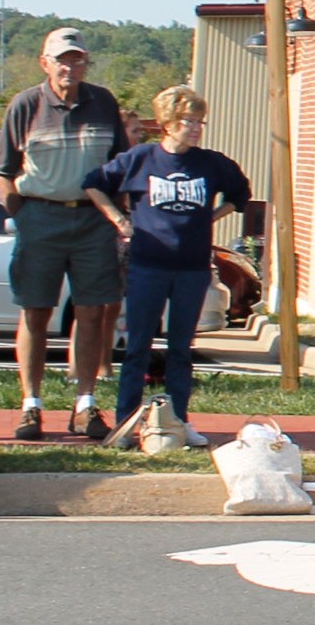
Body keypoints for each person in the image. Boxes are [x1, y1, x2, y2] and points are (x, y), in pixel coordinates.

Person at [84, 88, 253, 440]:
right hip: (148, 266)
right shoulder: (140, 159)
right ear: (167, 123)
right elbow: (94, 185)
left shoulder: (211, 162)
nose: (195, 128)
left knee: (181, 348)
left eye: (199, 121)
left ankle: (178, 420)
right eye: (187, 121)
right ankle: (126, 422)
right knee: (137, 347)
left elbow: (240, 194)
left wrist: (211, 216)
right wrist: (119, 219)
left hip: (191, 268)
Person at [0, 27, 130, 441]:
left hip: (92, 220)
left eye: (77, 59)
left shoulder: (103, 102)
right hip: (41, 217)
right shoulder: (26, 104)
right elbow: (2, 172)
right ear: (45, 63)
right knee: (35, 311)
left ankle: (85, 403)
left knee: (91, 311)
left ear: (86, 63)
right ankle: (31, 404)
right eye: (61, 59)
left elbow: (119, 165)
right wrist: (24, 216)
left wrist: (119, 218)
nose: (69, 67)